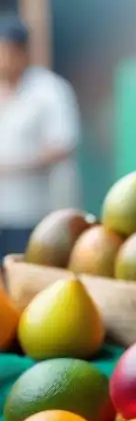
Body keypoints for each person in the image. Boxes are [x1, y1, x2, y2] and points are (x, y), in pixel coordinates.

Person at [0, 14, 82, 258]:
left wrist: (12, 166)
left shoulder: (49, 90)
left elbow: (63, 145)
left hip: (34, 214)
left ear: (22, 52)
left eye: (7, 52)